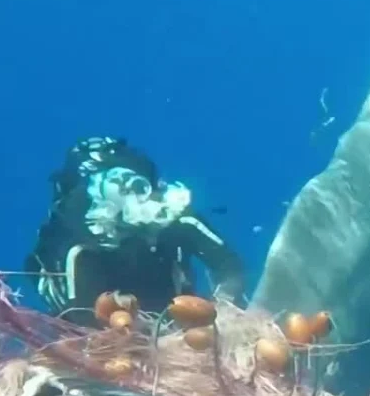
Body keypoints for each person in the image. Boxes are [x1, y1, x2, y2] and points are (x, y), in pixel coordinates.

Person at [24, 136, 246, 325]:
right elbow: (84, 322)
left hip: (174, 319)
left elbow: (228, 265)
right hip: (108, 334)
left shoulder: (176, 221)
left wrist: (223, 310)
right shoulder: (81, 251)